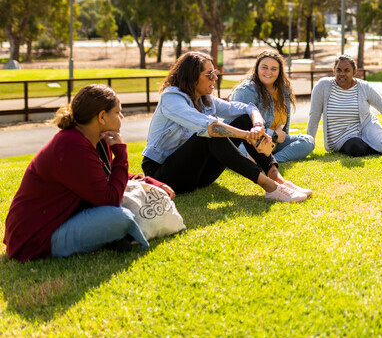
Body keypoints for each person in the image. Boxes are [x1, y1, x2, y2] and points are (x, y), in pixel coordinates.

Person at [3, 84, 172, 262]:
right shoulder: (72, 144)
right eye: (117, 112)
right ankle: (113, 237)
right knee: (120, 218)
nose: (122, 117)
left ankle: (112, 237)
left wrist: (151, 182)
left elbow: (107, 175)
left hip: (59, 220)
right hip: (35, 237)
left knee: (121, 214)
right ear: (101, 116)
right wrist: (121, 154)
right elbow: (110, 200)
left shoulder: (96, 139)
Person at [141, 51, 310, 202]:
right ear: (192, 76)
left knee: (244, 119)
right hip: (164, 176)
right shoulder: (171, 98)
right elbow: (209, 127)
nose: (215, 78)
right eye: (210, 74)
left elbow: (247, 108)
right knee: (212, 133)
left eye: (215, 73)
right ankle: (270, 187)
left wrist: (258, 126)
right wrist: (247, 135)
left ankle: (278, 179)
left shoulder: (205, 99)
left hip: (199, 176)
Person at [307, 55, 382, 156]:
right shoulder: (323, 86)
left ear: (354, 71)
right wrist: (309, 144)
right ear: (334, 70)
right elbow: (314, 115)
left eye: (347, 70)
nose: (342, 74)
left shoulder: (364, 87)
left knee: (381, 145)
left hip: (367, 128)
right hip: (340, 139)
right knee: (356, 148)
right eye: (339, 70)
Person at [228, 50, 315, 163]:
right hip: (247, 143)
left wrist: (276, 138)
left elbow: (283, 132)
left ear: (279, 71)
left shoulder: (284, 90)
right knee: (247, 156)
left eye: (274, 69)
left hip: (273, 143)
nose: (268, 72)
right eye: (264, 67)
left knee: (308, 141)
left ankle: (272, 160)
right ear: (257, 68)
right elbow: (240, 127)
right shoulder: (247, 90)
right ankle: (262, 160)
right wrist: (273, 135)